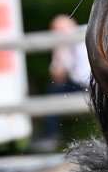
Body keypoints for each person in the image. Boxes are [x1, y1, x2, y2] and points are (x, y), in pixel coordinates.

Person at [32, 15, 90, 152]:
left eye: (61, 29)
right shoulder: (61, 44)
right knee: (54, 90)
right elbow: (58, 77)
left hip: (95, 82)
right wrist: (60, 52)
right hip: (77, 85)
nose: (59, 33)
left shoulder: (87, 32)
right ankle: (51, 135)